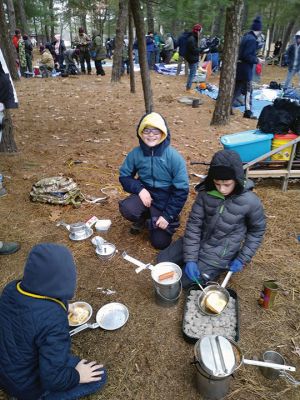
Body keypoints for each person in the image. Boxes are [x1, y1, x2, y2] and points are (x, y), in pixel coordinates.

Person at [0, 243, 107, 399]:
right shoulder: (54, 320)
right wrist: (77, 376)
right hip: (26, 386)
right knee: (99, 376)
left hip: (6, 369)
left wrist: (63, 305)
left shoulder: (12, 288)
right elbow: (53, 379)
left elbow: (34, 310)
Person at [157, 149, 266, 287]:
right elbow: (194, 225)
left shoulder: (250, 201)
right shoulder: (205, 194)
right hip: (198, 241)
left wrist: (242, 258)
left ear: (237, 179)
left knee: (182, 283)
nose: (222, 189)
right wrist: (190, 259)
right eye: (217, 183)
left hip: (218, 253)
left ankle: (213, 268)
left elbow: (256, 231)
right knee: (162, 261)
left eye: (227, 184)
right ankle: (191, 260)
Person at [119, 112, 189, 250]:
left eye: (156, 131)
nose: (151, 135)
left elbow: (181, 190)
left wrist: (168, 216)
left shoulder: (174, 157)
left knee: (160, 243)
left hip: (165, 197)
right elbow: (124, 177)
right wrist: (140, 189)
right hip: (146, 192)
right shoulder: (135, 154)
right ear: (140, 132)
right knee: (127, 209)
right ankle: (144, 217)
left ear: (163, 133)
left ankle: (167, 217)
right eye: (147, 130)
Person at [232, 16, 264, 119]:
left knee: (236, 90)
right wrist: (257, 60)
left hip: (240, 67)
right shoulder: (251, 40)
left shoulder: (246, 36)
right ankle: (248, 112)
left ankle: (227, 107)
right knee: (249, 91)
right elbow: (247, 55)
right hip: (245, 69)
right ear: (259, 30)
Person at [184, 24, 209, 92]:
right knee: (192, 74)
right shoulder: (192, 39)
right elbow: (194, 50)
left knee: (192, 74)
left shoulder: (193, 38)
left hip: (192, 58)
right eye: (200, 31)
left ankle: (188, 87)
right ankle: (188, 88)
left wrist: (201, 49)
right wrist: (201, 50)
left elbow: (195, 48)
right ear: (197, 31)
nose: (200, 32)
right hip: (192, 59)